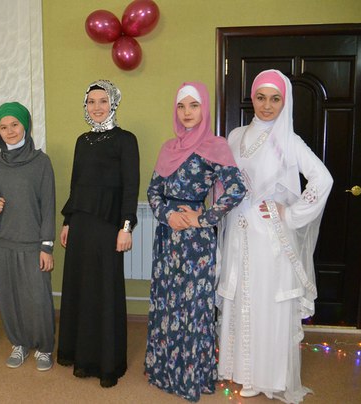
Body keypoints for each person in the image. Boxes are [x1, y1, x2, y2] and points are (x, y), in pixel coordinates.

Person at [217, 70, 333, 403]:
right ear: (252, 98)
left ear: (285, 102)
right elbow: (224, 180)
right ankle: (244, 372)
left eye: (275, 99)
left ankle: (267, 376)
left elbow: (322, 179)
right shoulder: (235, 136)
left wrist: (291, 212)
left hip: (269, 236)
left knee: (266, 300)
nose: (267, 105)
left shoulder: (288, 141)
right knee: (241, 296)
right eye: (261, 97)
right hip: (238, 230)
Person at [144, 82, 246, 401]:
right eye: (181, 106)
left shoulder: (215, 146)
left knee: (193, 305)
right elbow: (153, 191)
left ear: (205, 109)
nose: (187, 112)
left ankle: (191, 375)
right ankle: (164, 370)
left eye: (193, 105)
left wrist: (203, 218)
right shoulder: (167, 148)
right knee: (167, 302)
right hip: (167, 236)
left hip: (195, 242)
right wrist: (166, 215)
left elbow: (237, 189)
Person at [57, 80, 140, 388]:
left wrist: (126, 227)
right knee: (80, 288)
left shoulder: (125, 140)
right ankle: (79, 353)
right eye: (91, 101)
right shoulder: (82, 141)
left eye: (102, 101)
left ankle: (106, 362)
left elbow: (131, 186)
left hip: (108, 227)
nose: (97, 107)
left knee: (104, 291)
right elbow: (76, 184)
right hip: (80, 225)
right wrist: (68, 222)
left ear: (113, 104)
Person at [0, 102, 56, 371]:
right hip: (1, 242)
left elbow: (48, 206)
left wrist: (47, 246)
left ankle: (44, 348)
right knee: (9, 297)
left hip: (33, 244)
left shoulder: (41, 162)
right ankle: (18, 343)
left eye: (14, 124)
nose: (9, 131)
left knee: (38, 298)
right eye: (3, 127)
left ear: (26, 126)